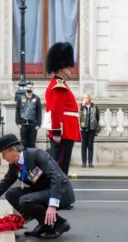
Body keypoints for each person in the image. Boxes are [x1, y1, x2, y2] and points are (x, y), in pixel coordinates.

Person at [0, 134, 75, 239]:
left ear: (13, 150)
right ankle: (45, 224)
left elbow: (56, 177)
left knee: (25, 200)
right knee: (12, 194)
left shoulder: (37, 155)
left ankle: (60, 223)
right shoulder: (15, 166)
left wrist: (52, 205)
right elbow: (2, 187)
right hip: (43, 191)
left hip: (61, 191)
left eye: (4, 154)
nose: (4, 158)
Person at [43, 42, 81, 176]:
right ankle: (58, 195)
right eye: (67, 67)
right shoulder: (59, 86)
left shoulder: (58, 84)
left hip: (65, 131)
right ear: (61, 68)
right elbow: (56, 110)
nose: (70, 70)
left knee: (59, 167)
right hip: (64, 132)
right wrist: (57, 132)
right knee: (60, 169)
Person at [15, 81, 42, 148]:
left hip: (33, 124)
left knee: (32, 143)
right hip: (23, 124)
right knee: (23, 143)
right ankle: (24, 157)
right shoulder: (21, 98)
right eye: (28, 87)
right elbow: (17, 110)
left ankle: (31, 157)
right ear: (26, 88)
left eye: (30, 87)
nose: (29, 88)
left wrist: (38, 124)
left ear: (33, 88)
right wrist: (18, 122)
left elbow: (39, 112)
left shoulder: (36, 98)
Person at [79, 94, 100, 168]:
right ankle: (84, 162)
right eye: (84, 98)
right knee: (83, 146)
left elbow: (97, 117)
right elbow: (78, 116)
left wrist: (96, 126)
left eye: (86, 97)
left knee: (90, 146)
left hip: (91, 129)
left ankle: (90, 162)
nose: (85, 99)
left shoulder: (94, 106)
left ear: (89, 98)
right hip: (83, 129)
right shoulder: (81, 107)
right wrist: (82, 106)